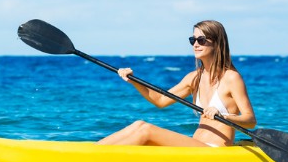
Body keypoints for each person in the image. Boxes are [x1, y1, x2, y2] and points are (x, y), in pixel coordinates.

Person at [98, 20, 256, 147]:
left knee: (145, 129)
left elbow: (250, 120)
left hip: (213, 150)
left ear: (216, 43)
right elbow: (160, 101)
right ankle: (94, 151)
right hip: (196, 145)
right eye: (192, 40)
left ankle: (95, 158)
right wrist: (132, 80)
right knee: (137, 125)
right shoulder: (194, 77)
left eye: (201, 40)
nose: (195, 44)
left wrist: (224, 116)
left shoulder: (231, 78)